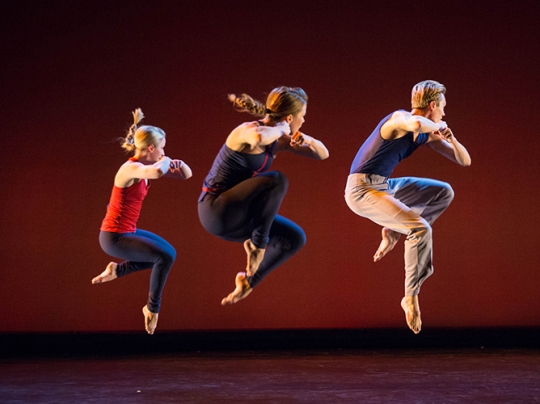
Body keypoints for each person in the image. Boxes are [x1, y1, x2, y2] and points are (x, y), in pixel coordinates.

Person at [344, 80, 471, 334]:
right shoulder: (398, 119)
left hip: (386, 185)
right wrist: (438, 126)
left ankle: (393, 230)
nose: (444, 113)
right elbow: (414, 123)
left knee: (443, 191)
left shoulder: (427, 133)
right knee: (421, 230)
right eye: (443, 107)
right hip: (361, 190)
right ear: (433, 105)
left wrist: (451, 139)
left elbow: (464, 161)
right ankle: (410, 296)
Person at [198, 86, 329, 305]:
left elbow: (323, 154)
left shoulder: (279, 140)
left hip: (237, 218)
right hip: (216, 209)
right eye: (302, 118)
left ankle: (248, 282)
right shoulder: (246, 130)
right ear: (288, 118)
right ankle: (258, 246)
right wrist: (282, 129)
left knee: (293, 239)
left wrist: (305, 138)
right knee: (277, 179)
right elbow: (259, 137)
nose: (303, 121)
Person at [92, 108, 192, 334]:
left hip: (128, 232)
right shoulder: (131, 168)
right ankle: (152, 309)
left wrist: (177, 162)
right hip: (114, 237)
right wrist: (166, 160)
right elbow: (157, 172)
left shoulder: (148, 167)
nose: (163, 151)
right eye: (162, 147)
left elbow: (187, 175)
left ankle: (118, 271)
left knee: (169, 255)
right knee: (163, 256)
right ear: (151, 148)